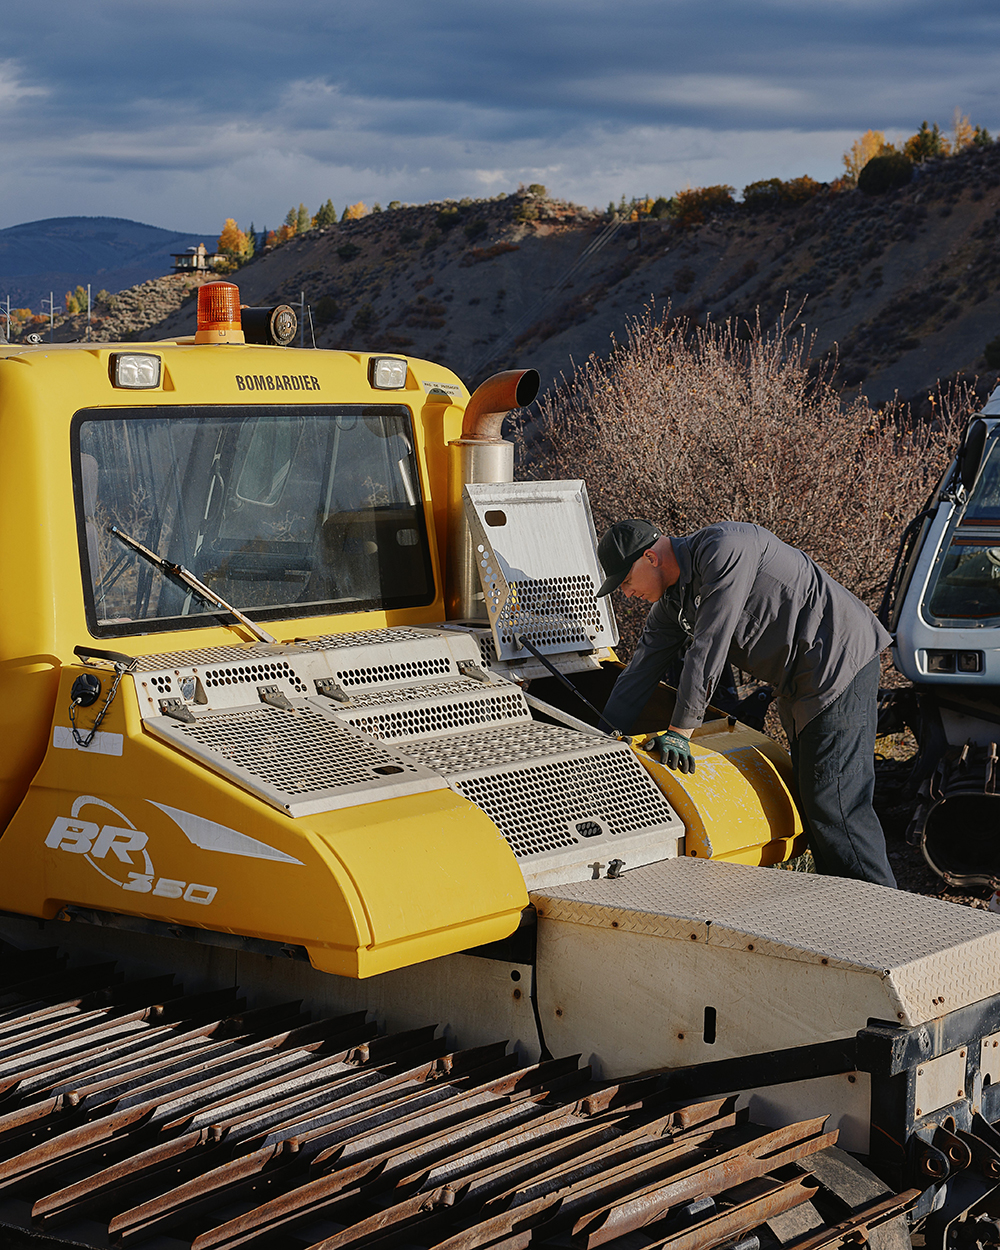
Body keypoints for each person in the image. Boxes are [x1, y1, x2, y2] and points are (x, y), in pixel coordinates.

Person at [596, 518, 896, 888]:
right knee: (816, 801)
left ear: (650, 558)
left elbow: (709, 647)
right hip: (802, 684)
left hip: (838, 662)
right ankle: (845, 910)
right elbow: (638, 673)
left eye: (625, 581)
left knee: (835, 805)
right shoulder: (673, 604)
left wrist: (679, 733)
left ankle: (882, 919)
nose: (626, 593)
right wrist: (599, 741)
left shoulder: (725, 548)